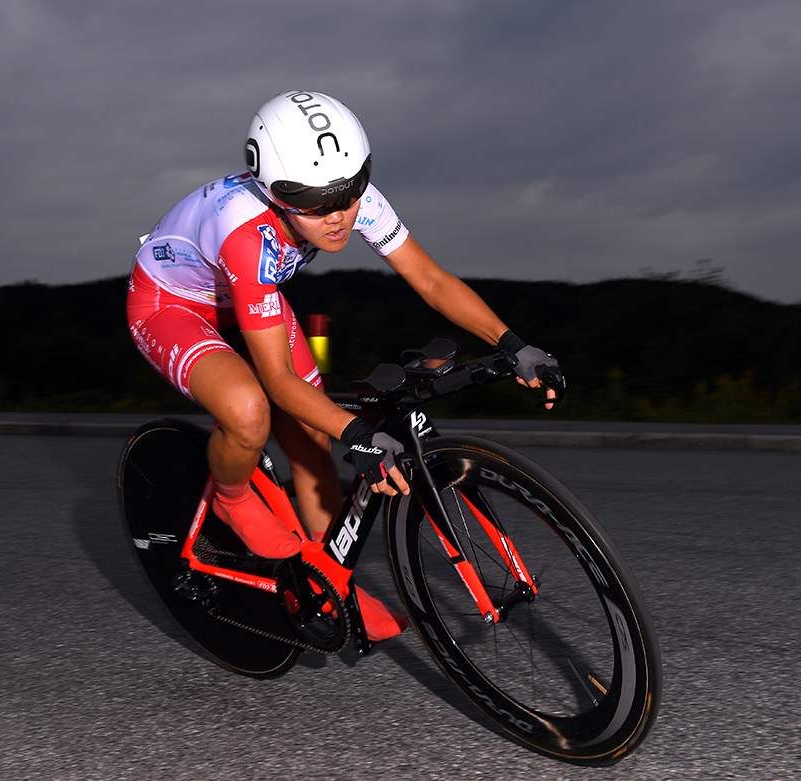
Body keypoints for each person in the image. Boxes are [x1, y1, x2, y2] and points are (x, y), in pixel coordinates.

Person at [126, 91, 564, 640]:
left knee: (312, 437)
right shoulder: (247, 234)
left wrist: (513, 344)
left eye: (350, 194)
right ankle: (232, 497)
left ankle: (333, 580)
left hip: (248, 294)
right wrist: (359, 435)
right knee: (249, 409)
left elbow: (429, 279)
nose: (337, 216)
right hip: (172, 304)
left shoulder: (347, 193)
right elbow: (279, 382)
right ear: (276, 195)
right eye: (314, 204)